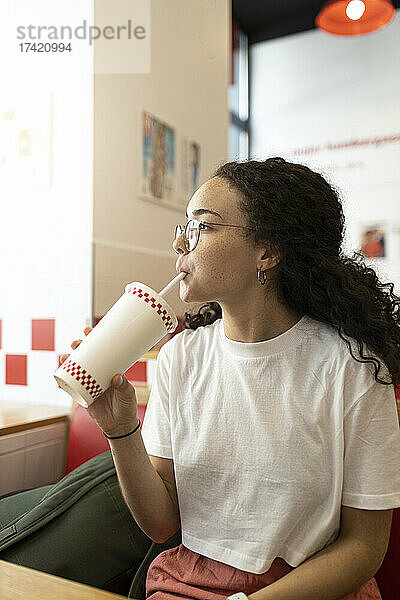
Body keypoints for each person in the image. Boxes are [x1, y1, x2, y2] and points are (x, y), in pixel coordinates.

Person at [63, 157, 400, 600]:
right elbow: (162, 524)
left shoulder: (351, 366)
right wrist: (119, 428)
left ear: (267, 251)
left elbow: (364, 548)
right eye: (183, 227)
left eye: (202, 227)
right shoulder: (179, 357)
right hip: (185, 585)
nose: (182, 244)